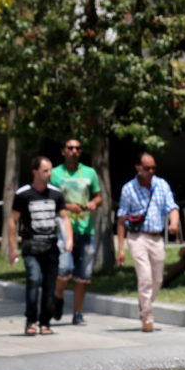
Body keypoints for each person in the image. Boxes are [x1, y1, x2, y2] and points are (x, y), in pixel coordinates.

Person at [8, 156, 73, 336]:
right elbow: (13, 220)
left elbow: (64, 218)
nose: (49, 174)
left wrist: (69, 239)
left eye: (50, 170)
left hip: (51, 246)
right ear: (35, 172)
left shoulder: (56, 194)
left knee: (49, 285)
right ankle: (31, 320)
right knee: (34, 279)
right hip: (31, 246)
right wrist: (12, 247)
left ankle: (45, 322)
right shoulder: (23, 194)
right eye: (45, 170)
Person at [116, 152, 179, 332]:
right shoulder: (128, 189)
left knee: (157, 279)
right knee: (145, 277)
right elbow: (121, 219)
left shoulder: (161, 185)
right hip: (137, 237)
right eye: (147, 168)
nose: (151, 171)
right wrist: (121, 249)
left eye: (153, 168)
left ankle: (144, 303)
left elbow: (172, 207)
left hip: (157, 237)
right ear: (138, 168)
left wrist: (174, 223)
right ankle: (147, 316)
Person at [50, 138, 102, 326]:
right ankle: (58, 296)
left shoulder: (89, 172)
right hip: (63, 229)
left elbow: (98, 197)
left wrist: (93, 203)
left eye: (78, 148)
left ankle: (78, 313)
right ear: (63, 151)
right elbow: (49, 199)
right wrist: (67, 206)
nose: (74, 151)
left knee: (84, 274)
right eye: (70, 148)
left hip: (86, 229)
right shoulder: (55, 173)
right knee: (64, 268)